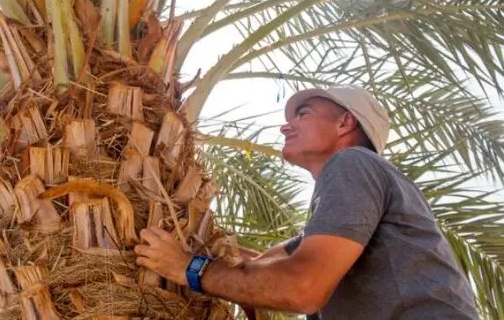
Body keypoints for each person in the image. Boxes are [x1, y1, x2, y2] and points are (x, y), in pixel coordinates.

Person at [135, 85, 478, 319]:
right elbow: (265, 264)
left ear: (345, 122)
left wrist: (188, 268)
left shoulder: (353, 163)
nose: (286, 126)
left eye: (303, 113)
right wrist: (207, 245)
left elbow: (301, 286)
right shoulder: (346, 214)